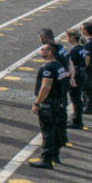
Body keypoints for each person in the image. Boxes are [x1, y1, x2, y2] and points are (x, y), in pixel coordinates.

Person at [30, 41, 69, 169]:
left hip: (49, 103)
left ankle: (46, 159)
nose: (41, 51)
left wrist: (37, 103)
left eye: (43, 49)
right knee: (56, 129)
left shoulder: (48, 68)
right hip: (58, 102)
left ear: (50, 52)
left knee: (47, 131)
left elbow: (46, 87)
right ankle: (55, 155)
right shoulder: (59, 65)